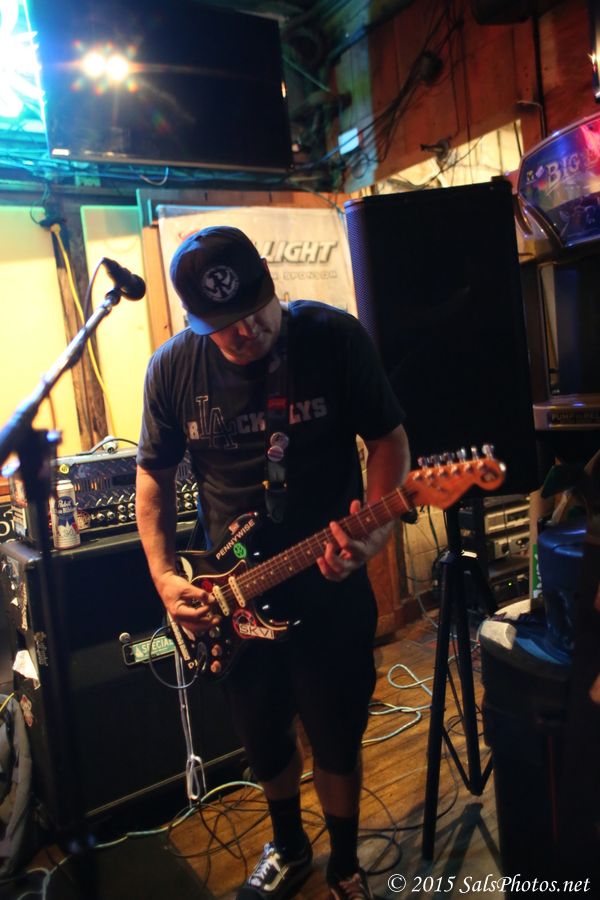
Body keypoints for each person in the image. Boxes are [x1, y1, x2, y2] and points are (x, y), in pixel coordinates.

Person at [135, 225, 410, 900]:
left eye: (254, 310)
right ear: (195, 319)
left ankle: (344, 862)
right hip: (231, 599)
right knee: (263, 737)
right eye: (223, 324)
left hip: (328, 584)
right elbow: (153, 482)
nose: (245, 331)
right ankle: (289, 847)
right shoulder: (172, 370)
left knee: (336, 733)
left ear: (268, 278)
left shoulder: (333, 338)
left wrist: (372, 538)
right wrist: (166, 579)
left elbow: (390, 442)